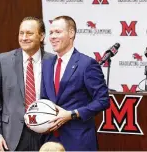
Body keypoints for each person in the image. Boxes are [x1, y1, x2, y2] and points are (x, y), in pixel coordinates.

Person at [41, 15, 110, 151]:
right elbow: (44, 99)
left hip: (78, 141)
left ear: (71, 33)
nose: (52, 37)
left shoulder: (87, 64)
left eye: (58, 32)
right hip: (50, 141)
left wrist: (72, 114)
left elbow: (103, 100)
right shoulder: (47, 64)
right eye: (51, 33)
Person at [0, 16, 53, 151]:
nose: (24, 38)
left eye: (29, 33)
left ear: (41, 36)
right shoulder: (3, 61)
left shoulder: (53, 61)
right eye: (21, 33)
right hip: (12, 136)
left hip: (46, 134)